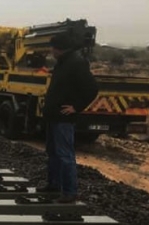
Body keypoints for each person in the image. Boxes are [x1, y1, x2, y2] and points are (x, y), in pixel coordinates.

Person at [39, 33, 98, 203]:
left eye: (52, 47)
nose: (51, 51)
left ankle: (70, 192)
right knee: (53, 152)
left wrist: (76, 107)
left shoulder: (77, 63)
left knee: (65, 155)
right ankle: (54, 185)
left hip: (64, 119)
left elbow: (92, 88)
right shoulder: (63, 63)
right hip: (54, 116)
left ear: (59, 48)